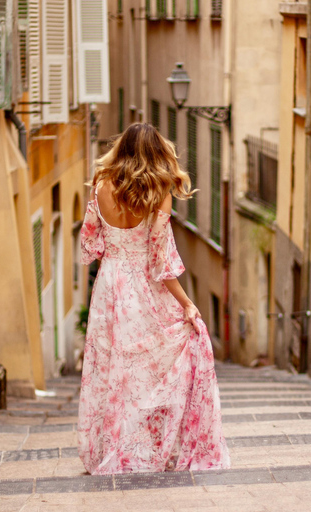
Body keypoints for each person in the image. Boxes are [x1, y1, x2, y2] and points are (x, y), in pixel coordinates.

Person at [77, 123, 230, 474]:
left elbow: (92, 244)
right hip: (145, 286)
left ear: (121, 150)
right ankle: (147, 447)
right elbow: (160, 260)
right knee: (150, 371)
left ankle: (111, 449)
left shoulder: (100, 187)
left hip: (110, 286)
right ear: (156, 154)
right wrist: (187, 304)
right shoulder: (160, 192)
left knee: (112, 371)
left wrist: (116, 259)